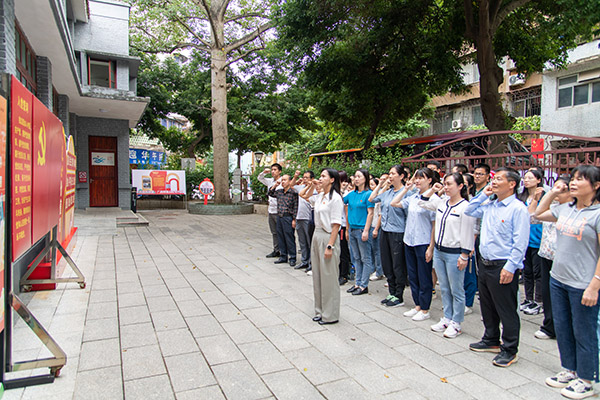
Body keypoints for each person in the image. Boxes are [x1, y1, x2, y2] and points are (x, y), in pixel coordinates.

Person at [535, 166, 600, 399]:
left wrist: (594, 285)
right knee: (563, 327)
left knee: (584, 331)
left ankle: (586, 379)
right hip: (558, 279)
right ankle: (569, 369)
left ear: (596, 185)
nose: (573, 182)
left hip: (583, 283)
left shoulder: (597, 214)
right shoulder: (566, 208)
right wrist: (553, 193)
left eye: (581, 179)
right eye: (573, 178)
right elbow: (538, 213)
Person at [465, 167, 530, 368]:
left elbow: (520, 242)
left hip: (503, 265)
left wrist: (511, 267)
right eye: (493, 179)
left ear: (512, 184)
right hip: (485, 262)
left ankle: (510, 349)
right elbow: (469, 210)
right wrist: (483, 195)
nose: (494, 182)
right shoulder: (490, 205)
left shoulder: (518, 209)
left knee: (506, 308)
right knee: (487, 305)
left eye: (499, 179)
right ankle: (491, 339)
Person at [418, 173, 476, 338]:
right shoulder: (442, 202)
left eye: (450, 184)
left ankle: (456, 322)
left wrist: (464, 254)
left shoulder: (465, 207)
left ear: (460, 186)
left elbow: (468, 232)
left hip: (455, 252)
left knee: (456, 289)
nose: (446, 187)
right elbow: (422, 201)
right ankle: (447, 318)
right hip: (439, 250)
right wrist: (433, 190)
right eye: (445, 183)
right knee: (444, 287)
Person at [391, 168, 438, 321]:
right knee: (413, 275)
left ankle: (425, 309)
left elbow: (434, 225)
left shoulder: (433, 199)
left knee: (424, 276)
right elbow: (394, 203)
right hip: (409, 240)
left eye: (421, 178)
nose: (417, 181)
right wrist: (406, 189)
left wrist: (431, 247)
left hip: (423, 241)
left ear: (429, 180)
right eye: (416, 178)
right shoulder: (413, 197)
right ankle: (417, 305)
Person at [300, 168, 344, 325]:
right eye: (320, 176)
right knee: (318, 275)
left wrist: (330, 246)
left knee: (329, 277)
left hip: (328, 236)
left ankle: (330, 314)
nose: (320, 178)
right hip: (317, 235)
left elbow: (336, 224)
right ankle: (319, 310)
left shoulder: (335, 199)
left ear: (332, 180)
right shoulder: (320, 196)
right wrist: (312, 185)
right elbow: (303, 195)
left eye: (323, 176)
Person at [535, 175, 572, 340]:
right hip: (546, 254)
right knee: (548, 293)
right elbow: (536, 214)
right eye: (555, 188)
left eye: (562, 189)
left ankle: (562, 327)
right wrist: (550, 194)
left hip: (563, 258)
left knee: (563, 296)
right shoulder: (553, 207)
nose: (557, 192)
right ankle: (549, 325)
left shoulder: (573, 210)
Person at [369, 166, 409, 307]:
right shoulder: (388, 192)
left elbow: (408, 216)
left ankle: (399, 295)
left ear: (401, 176)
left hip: (398, 232)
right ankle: (391, 292)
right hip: (385, 231)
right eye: (389, 174)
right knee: (387, 263)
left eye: (393, 174)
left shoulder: (407, 193)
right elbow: (372, 198)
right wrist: (381, 184)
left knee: (397, 264)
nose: (390, 176)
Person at [518, 169, 546, 315]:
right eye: (525, 178)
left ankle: (539, 301)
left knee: (538, 272)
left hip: (538, 239)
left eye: (530, 178)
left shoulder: (544, 197)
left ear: (539, 180)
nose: (526, 180)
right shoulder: (522, 197)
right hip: (525, 240)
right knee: (527, 271)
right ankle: (528, 298)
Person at [344, 169, 375, 296]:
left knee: (365, 258)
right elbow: (341, 201)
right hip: (352, 228)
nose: (356, 179)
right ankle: (357, 283)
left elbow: (370, 213)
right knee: (356, 258)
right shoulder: (352, 194)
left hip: (362, 229)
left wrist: (366, 230)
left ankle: (364, 285)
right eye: (355, 176)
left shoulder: (369, 194)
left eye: (359, 176)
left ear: (365, 178)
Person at [267, 174, 299, 267]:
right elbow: (270, 193)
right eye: (282, 180)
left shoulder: (293, 193)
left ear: (290, 181)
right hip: (279, 216)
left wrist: (294, 219)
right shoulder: (279, 192)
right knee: (280, 237)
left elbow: (296, 206)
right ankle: (283, 256)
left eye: (285, 180)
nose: (283, 182)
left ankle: (292, 257)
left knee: (289, 238)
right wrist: (275, 185)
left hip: (288, 217)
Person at [258, 164, 283, 258]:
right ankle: (276, 250)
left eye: (275, 170)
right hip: (271, 210)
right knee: (274, 232)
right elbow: (260, 178)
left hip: (279, 211)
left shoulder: (283, 181)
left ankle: (283, 251)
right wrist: (264, 172)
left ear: (280, 171)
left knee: (281, 232)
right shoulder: (270, 181)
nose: (273, 171)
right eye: (272, 170)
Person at [462, 173, 478, 314]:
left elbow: (475, 226)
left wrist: (471, 243)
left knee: (469, 273)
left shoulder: (472, 202)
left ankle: (468, 302)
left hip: (469, 241)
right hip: (456, 242)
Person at [295, 170, 316, 270]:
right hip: (299, 217)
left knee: (310, 242)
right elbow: (292, 186)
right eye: (304, 177)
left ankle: (312, 263)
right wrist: (296, 178)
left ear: (312, 179)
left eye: (307, 177)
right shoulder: (301, 187)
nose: (305, 179)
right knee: (302, 241)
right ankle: (304, 261)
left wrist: (311, 185)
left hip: (309, 218)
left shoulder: (316, 190)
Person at [337, 171, 352, 284]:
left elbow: (347, 213)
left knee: (343, 251)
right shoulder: (334, 193)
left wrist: (346, 229)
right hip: (335, 226)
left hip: (342, 226)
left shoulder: (346, 194)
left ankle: (344, 274)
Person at [369, 177, 384, 281]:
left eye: (372, 185)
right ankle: (374, 269)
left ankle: (379, 271)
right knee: (372, 250)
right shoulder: (373, 197)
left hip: (376, 226)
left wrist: (376, 228)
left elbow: (380, 215)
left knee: (377, 250)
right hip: (371, 225)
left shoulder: (380, 197)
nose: (371, 187)